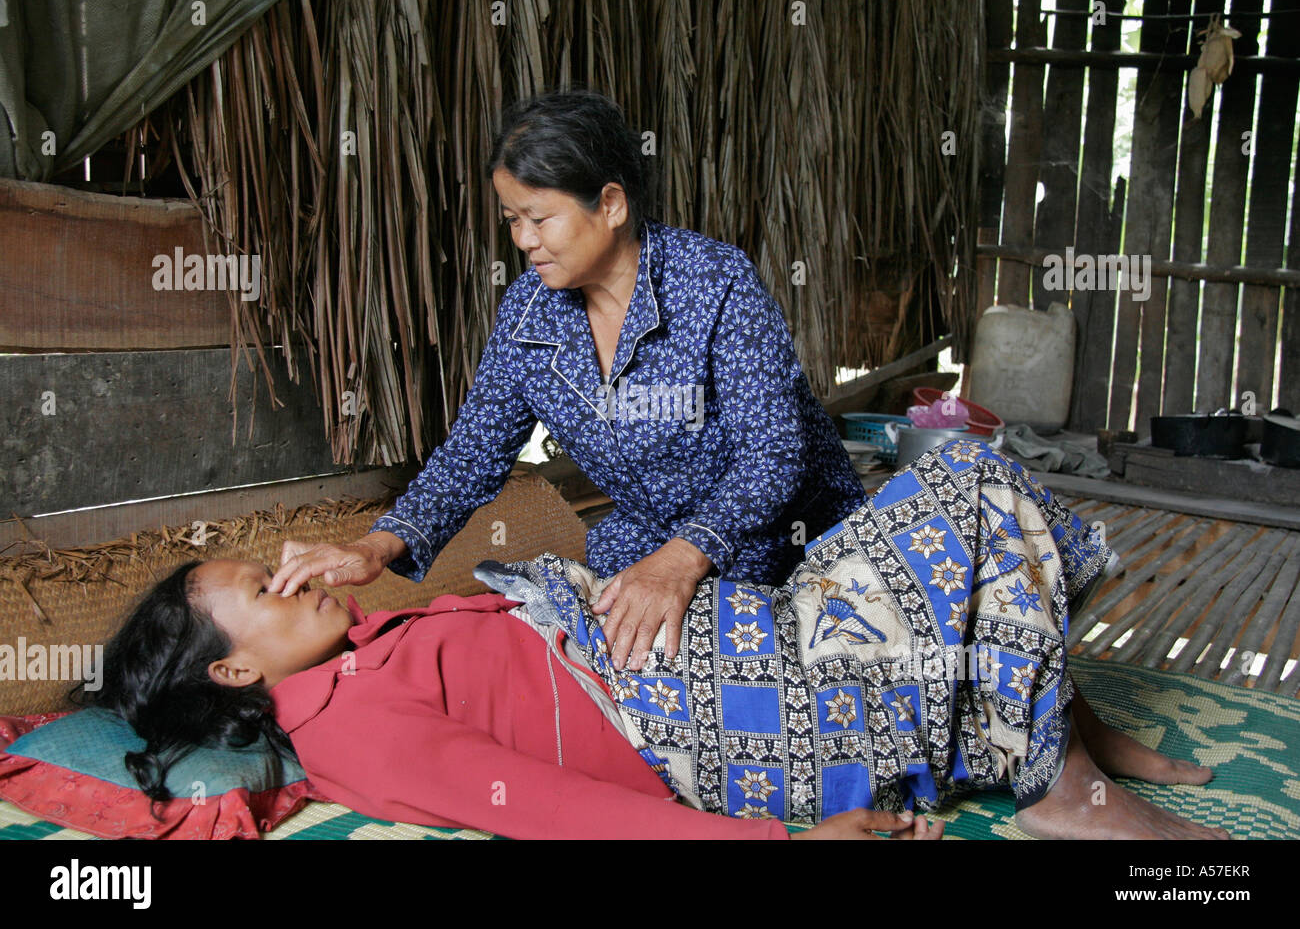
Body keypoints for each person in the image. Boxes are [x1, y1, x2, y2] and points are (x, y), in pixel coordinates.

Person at [78, 443, 1228, 840]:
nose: (292, 573)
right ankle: (1052, 781)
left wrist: (354, 567)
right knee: (969, 491)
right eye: (263, 588)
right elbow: (549, 809)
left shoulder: (356, 653)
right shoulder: (348, 722)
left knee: (962, 477)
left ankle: (1059, 726)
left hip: (736, 628)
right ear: (232, 668)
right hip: (725, 710)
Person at [267, 88, 865, 673]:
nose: (524, 240)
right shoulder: (531, 312)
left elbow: (773, 453)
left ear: (610, 205)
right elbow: (474, 452)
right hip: (649, 542)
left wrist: (681, 562)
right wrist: (375, 546)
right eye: (512, 220)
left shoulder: (714, 282)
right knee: (587, 661)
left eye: (539, 217)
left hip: (784, 539)